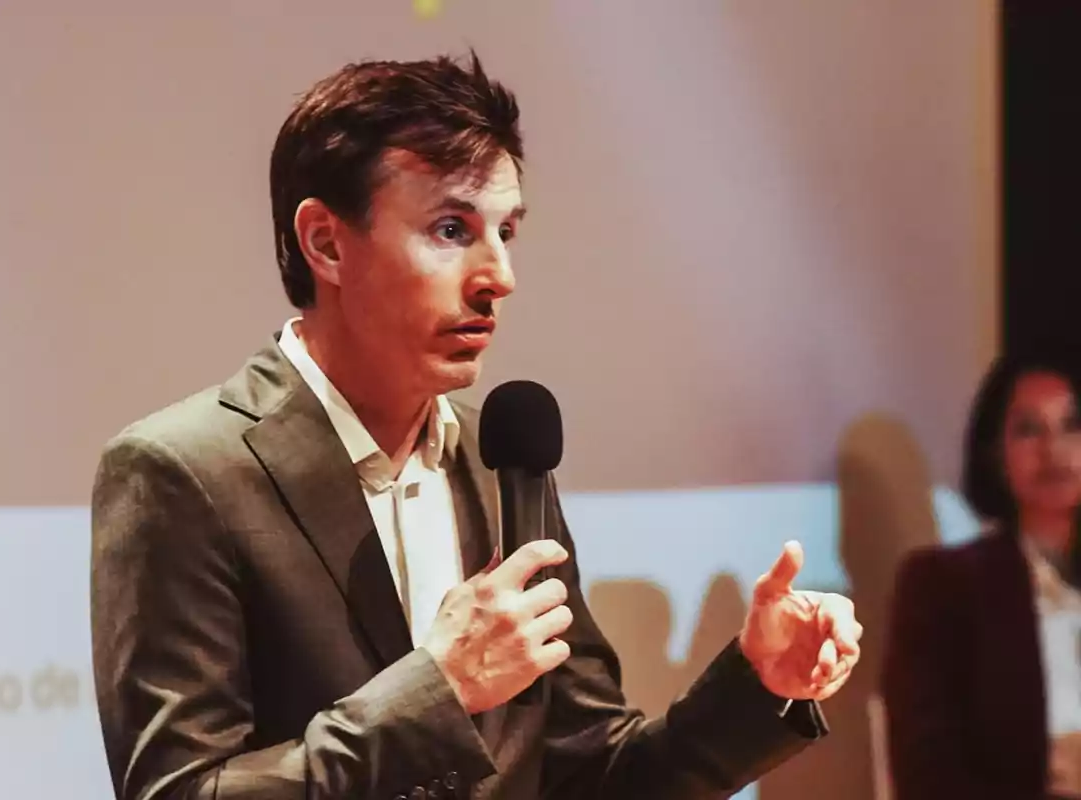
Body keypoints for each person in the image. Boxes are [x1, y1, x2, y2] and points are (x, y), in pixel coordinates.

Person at [90, 52, 862, 800]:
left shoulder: (504, 465)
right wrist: (440, 688)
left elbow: (591, 775)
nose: (500, 276)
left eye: (507, 232)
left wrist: (759, 684)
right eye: (452, 230)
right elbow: (181, 791)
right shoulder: (182, 471)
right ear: (325, 241)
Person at [883, 352, 1081, 799]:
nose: (1054, 450)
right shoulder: (941, 586)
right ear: (995, 452)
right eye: (1030, 429)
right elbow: (927, 777)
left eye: (1072, 425)